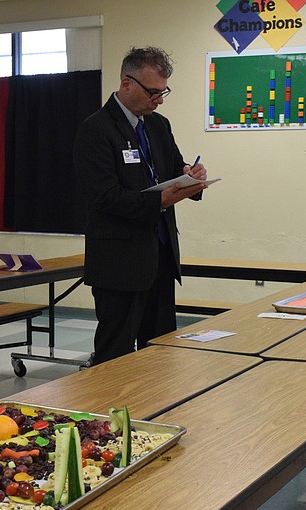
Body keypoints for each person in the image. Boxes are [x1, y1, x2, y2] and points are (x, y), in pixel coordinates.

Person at [73, 46, 208, 366]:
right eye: (153, 92)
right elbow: (104, 196)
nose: (159, 100)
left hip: (160, 257)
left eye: (163, 92)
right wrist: (157, 201)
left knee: (159, 354)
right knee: (115, 358)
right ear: (126, 84)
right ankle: (107, 401)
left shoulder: (158, 125)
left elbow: (173, 168)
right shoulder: (96, 129)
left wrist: (190, 175)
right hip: (119, 263)